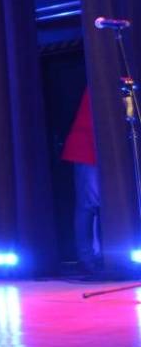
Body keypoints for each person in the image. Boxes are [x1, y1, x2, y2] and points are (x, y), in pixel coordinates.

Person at [61, 88, 101, 274]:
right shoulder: (101, 83)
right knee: (88, 204)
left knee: (94, 206)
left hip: (96, 149)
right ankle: (87, 259)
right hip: (86, 149)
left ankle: (97, 256)